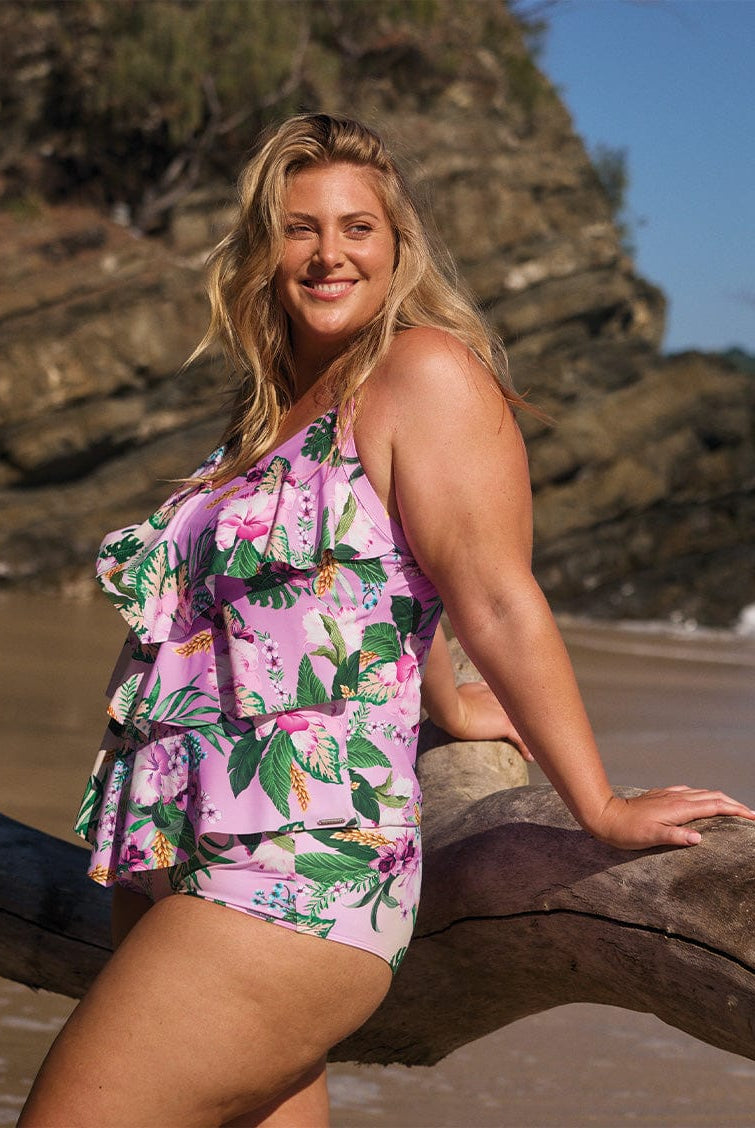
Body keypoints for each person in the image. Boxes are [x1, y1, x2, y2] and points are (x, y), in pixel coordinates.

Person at [20, 113, 755, 1128]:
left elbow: (492, 592)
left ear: (397, 248)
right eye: (299, 227)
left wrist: (599, 808)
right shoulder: (267, 408)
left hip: (289, 866)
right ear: (260, 249)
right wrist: (445, 701)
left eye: (357, 227)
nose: (329, 253)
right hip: (171, 845)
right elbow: (374, 580)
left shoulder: (424, 375)